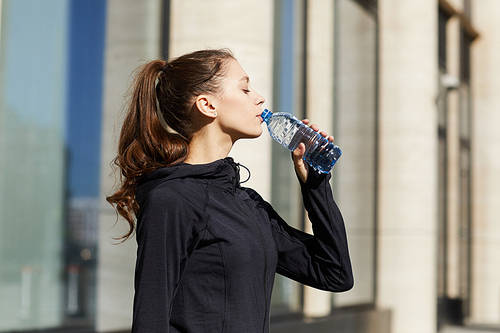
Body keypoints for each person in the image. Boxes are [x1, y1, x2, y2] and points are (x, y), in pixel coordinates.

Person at [106, 48, 353, 333]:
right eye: (245, 88)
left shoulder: (247, 203)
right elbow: (151, 319)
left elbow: (335, 273)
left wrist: (316, 185)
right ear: (207, 105)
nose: (259, 97)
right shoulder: (171, 200)